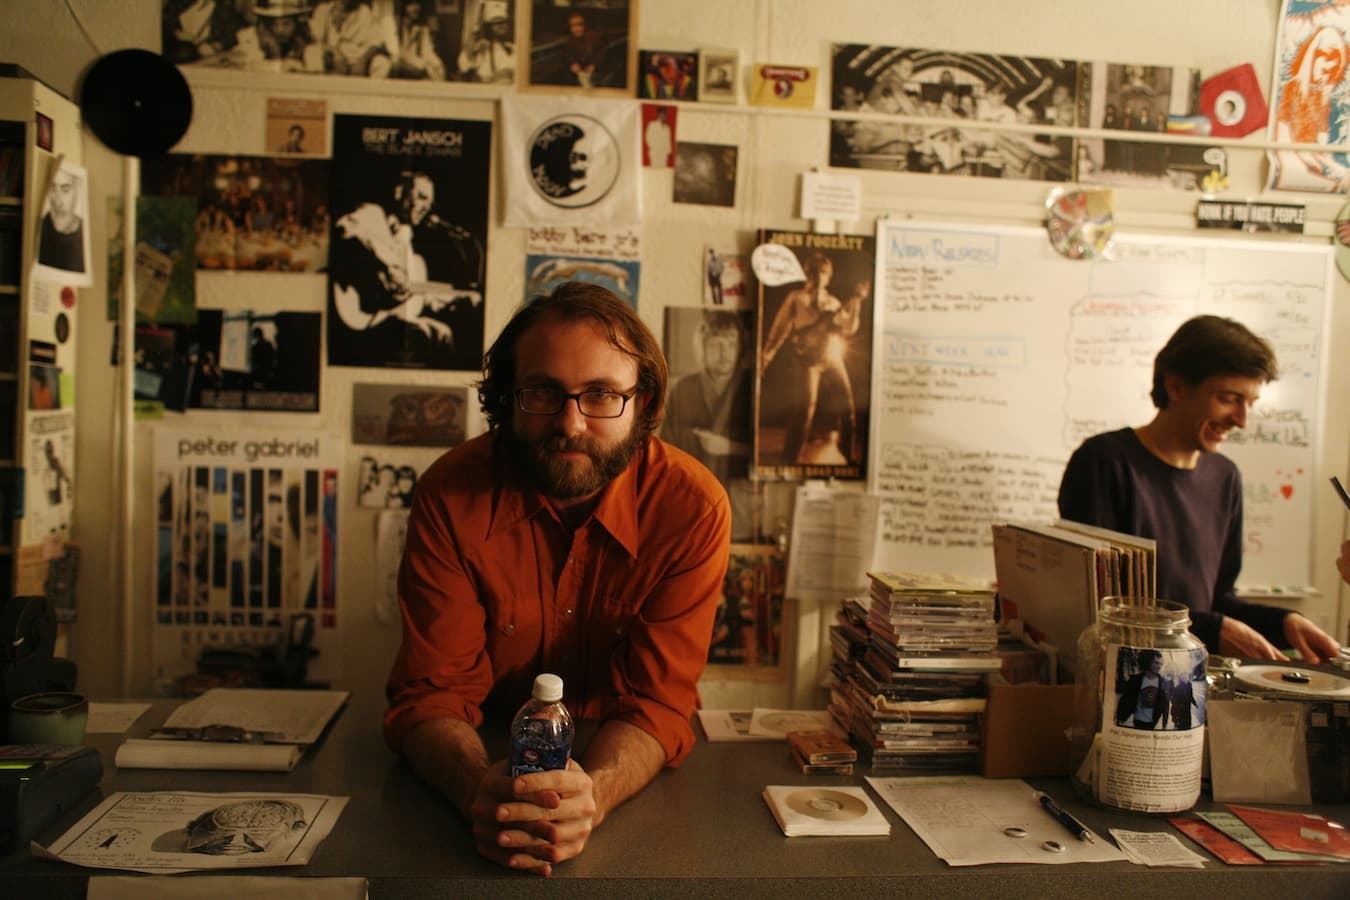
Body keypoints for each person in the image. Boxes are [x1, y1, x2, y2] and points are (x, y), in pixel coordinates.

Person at [385, 282, 731, 876]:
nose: (570, 423)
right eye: (544, 392)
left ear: (643, 403)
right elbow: (432, 693)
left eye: (601, 394)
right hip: (477, 756)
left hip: (618, 771)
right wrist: (477, 791)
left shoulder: (691, 509)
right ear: (507, 398)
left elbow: (655, 704)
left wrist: (589, 798)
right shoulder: (449, 493)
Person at [1058, 315, 1341, 664]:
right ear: (1175, 386)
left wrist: (1285, 623)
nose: (1242, 420)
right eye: (1229, 398)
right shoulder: (1104, 462)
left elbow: (1218, 602)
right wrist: (1213, 629)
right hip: (1121, 683)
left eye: (1250, 402)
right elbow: (1103, 607)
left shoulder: (1226, 477)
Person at [759, 253, 868, 466]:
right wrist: (766, 356)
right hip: (807, 361)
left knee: (847, 405)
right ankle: (789, 460)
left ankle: (847, 453)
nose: (819, 276)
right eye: (815, 272)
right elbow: (779, 330)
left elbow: (849, 329)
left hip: (832, 357)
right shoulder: (796, 298)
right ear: (807, 274)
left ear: (829, 276)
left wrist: (857, 302)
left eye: (824, 272)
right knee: (805, 409)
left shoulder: (834, 303)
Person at [661, 309, 754, 539]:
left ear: (740, 347)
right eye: (715, 345)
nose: (724, 353)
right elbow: (666, 450)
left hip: (741, 500)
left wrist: (728, 447)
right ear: (702, 348)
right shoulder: (684, 389)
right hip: (692, 499)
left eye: (731, 344)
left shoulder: (752, 387)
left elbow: (771, 457)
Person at [1274, 24, 1350, 190]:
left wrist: (1328, 163)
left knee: (1343, 177)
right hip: (1292, 153)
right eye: (1324, 70)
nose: (1325, 78)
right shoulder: (1292, 89)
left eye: (1331, 73)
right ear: (1312, 61)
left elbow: (1321, 143)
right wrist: (1305, 157)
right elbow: (1283, 138)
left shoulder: (1322, 97)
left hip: (1311, 154)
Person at [38, 167, 85, 273]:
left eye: (65, 190)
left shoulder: (89, 232)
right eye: (52, 189)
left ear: (78, 190)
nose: (57, 202)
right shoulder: (38, 229)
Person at [457, 0, 515, 83]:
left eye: (503, 22)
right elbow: (464, 65)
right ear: (489, 27)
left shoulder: (514, 47)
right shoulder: (483, 47)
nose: (501, 26)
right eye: (496, 23)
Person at [1114, 649, 1169, 730]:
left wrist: (1164, 724)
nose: (1159, 666)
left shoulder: (1163, 683)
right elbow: (1125, 700)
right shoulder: (1135, 680)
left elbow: (1165, 705)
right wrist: (1119, 718)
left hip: (1154, 722)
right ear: (1148, 662)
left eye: (1161, 664)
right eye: (1156, 663)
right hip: (1138, 721)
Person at [392, 0, 446, 80]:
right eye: (412, 5)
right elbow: (399, 53)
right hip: (399, 65)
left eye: (417, 4)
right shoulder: (396, 26)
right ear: (405, 7)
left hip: (417, 66)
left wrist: (437, 65)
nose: (416, 8)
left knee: (438, 71)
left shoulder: (422, 29)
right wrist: (423, 65)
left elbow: (427, 52)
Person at [566, 11, 602, 88]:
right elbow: (569, 55)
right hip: (580, 73)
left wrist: (594, 65)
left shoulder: (593, 37)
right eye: (573, 26)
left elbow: (600, 54)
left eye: (579, 25)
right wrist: (573, 63)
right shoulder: (571, 40)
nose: (576, 28)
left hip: (595, 72)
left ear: (584, 25)